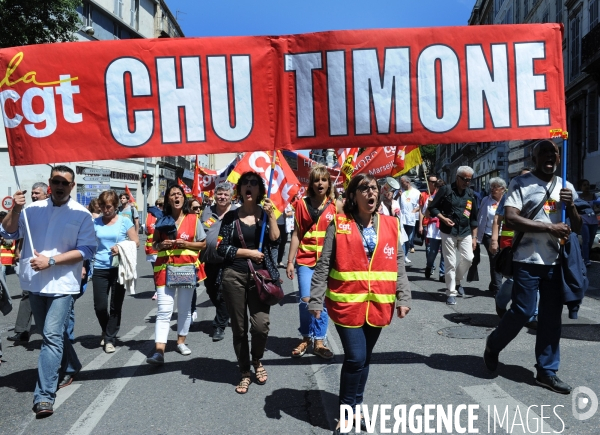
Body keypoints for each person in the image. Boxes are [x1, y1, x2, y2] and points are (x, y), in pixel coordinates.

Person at [308, 173, 411, 435]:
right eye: (364, 189)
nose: (370, 193)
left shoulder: (391, 224)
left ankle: (357, 406)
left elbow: (398, 262)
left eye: (374, 188)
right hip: (347, 305)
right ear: (353, 195)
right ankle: (346, 411)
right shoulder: (338, 224)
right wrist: (316, 299)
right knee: (355, 358)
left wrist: (404, 296)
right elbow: (323, 265)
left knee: (365, 359)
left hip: (378, 303)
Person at [484, 140, 582, 394]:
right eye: (545, 153)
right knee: (523, 311)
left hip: (556, 263)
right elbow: (511, 217)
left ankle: (547, 371)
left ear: (559, 157)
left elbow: (579, 226)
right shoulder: (520, 183)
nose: (551, 156)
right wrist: (550, 227)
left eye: (555, 152)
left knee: (550, 318)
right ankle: (494, 344)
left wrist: (570, 205)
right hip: (527, 260)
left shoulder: (565, 186)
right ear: (534, 157)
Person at [0, 165, 96, 418]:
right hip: (34, 283)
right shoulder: (31, 209)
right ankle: (73, 363)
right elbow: (8, 233)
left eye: (66, 182)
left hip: (63, 284)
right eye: (56, 181)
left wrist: (52, 261)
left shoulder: (81, 213)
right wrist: (15, 209)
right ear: (50, 183)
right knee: (51, 333)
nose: (61, 186)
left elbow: (87, 250)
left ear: (72, 186)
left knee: (51, 336)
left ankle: (44, 396)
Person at [216, 171, 280, 394]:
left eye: (254, 183)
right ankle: (245, 371)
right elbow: (221, 248)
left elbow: (275, 239)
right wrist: (247, 253)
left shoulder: (265, 215)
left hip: (260, 277)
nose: (249, 186)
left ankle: (257, 359)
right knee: (239, 328)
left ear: (260, 189)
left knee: (261, 326)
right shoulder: (230, 218)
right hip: (234, 275)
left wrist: (272, 216)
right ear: (240, 190)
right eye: (245, 183)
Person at [146, 185, 206, 364]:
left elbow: (202, 244)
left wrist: (184, 244)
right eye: (172, 195)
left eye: (179, 194)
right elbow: (154, 244)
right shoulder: (162, 220)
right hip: (165, 269)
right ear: (168, 200)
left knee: (185, 308)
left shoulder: (194, 219)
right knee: (164, 310)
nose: (176, 197)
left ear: (184, 198)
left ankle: (181, 341)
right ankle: (159, 351)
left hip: (186, 268)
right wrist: (160, 246)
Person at [286, 165, 336, 360]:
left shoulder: (335, 205)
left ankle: (319, 342)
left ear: (329, 183)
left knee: (321, 302)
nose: (320, 183)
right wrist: (290, 261)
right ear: (311, 184)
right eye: (316, 180)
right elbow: (296, 234)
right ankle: (306, 337)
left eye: (324, 180)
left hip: (326, 263)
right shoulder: (301, 204)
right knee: (306, 300)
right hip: (305, 260)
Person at [490, 168, 538, 329]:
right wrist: (494, 239)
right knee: (513, 278)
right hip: (512, 242)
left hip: (534, 242)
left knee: (534, 277)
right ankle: (501, 301)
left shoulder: (538, 193)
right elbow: (498, 218)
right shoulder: (510, 194)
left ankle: (534, 314)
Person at [92, 190, 139, 353]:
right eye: (103, 206)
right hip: (99, 267)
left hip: (119, 268)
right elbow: (90, 244)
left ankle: (109, 338)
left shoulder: (124, 221)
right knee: (99, 306)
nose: (106, 210)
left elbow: (136, 242)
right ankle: (106, 330)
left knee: (115, 305)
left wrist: (121, 247)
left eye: (109, 207)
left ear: (115, 206)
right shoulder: (95, 222)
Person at [428, 166, 478, 305]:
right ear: (457, 177)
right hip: (448, 232)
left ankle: (457, 281)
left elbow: (474, 217)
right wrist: (443, 218)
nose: (467, 182)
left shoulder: (470, 193)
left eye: (469, 180)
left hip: (465, 231)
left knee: (469, 258)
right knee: (450, 262)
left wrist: (474, 237)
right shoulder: (446, 190)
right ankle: (451, 292)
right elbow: (433, 208)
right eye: (465, 179)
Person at [7, 182, 49, 344]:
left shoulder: (50, 210)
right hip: (30, 260)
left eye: (37, 193)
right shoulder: (28, 211)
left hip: (48, 261)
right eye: (32, 193)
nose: (33, 195)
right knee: (27, 293)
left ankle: (52, 331)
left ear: (46, 194)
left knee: (47, 295)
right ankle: (22, 330)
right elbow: (20, 232)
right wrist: (19, 249)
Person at [200, 182, 237, 342]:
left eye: (225, 194)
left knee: (223, 292)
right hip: (209, 259)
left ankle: (219, 326)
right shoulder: (207, 211)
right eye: (219, 194)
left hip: (228, 260)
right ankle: (225, 314)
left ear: (231, 197)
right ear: (215, 195)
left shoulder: (237, 212)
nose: (222, 197)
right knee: (211, 290)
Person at [476, 177, 506, 296]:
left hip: (504, 235)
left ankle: (494, 283)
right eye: (491, 186)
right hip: (488, 234)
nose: (492, 189)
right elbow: (481, 217)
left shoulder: (508, 200)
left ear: (502, 189)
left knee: (504, 261)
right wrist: (476, 236)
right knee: (495, 260)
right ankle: (498, 290)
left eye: (495, 187)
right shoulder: (486, 200)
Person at [421, 175, 445, 281]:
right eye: (438, 188)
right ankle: (429, 266)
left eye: (441, 188)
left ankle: (442, 273)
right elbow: (426, 215)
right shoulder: (431, 198)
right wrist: (430, 204)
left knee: (445, 253)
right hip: (434, 229)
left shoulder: (448, 199)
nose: (439, 190)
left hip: (445, 228)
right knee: (432, 252)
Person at [145, 198, 164, 301]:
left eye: (160, 205)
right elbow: (146, 231)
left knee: (163, 270)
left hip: (163, 249)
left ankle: (162, 290)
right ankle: (157, 290)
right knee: (156, 271)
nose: (158, 207)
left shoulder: (167, 216)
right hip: (152, 249)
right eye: (157, 204)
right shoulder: (149, 216)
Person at [399, 176, 421, 263]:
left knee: (409, 239)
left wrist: (415, 210)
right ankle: (403, 256)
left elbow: (421, 205)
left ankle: (406, 255)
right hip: (401, 218)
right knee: (402, 239)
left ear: (408, 182)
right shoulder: (400, 191)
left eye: (402, 182)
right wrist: (398, 195)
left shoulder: (416, 192)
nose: (401, 184)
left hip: (411, 219)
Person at [578, 179, 599, 266]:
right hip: (584, 221)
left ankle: (585, 256)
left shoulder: (594, 196)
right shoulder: (578, 197)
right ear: (581, 187)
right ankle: (586, 260)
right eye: (584, 185)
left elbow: (597, 208)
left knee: (590, 241)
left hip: (593, 221)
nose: (587, 186)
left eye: (588, 185)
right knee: (586, 240)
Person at [189, 198, 203, 321]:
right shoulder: (185, 222)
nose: (198, 210)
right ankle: (190, 310)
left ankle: (192, 309)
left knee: (193, 286)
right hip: (186, 261)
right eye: (195, 208)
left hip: (200, 260)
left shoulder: (203, 221)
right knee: (189, 286)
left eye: (199, 208)